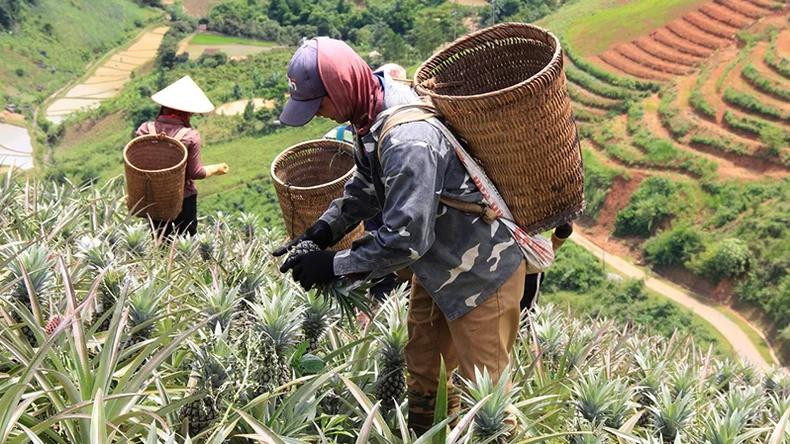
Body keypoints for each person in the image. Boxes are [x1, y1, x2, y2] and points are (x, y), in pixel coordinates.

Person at [273, 38, 526, 435]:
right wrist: (320, 232)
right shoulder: (371, 113)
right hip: (438, 269)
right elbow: (366, 187)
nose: (318, 114)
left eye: (318, 104)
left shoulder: (409, 138)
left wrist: (333, 264)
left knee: (488, 400)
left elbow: (406, 237)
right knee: (425, 373)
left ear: (339, 89)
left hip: (481, 274)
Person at [135, 76, 229, 238]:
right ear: (188, 111)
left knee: (160, 242)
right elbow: (195, 173)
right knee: (186, 245)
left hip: (153, 197)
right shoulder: (190, 136)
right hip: (181, 199)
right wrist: (216, 169)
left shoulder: (144, 130)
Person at [521, 222, 573, 312]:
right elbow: (566, 227)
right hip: (531, 259)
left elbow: (566, 227)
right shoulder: (537, 258)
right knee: (525, 312)